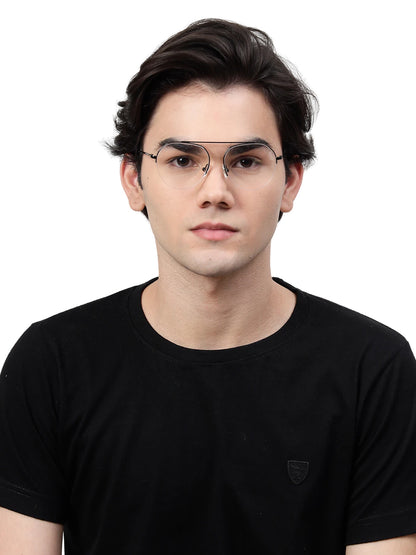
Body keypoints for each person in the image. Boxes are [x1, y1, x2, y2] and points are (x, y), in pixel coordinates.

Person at [0, 18, 415, 555]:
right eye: (182, 160)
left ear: (290, 181)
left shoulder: (373, 370)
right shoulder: (52, 364)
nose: (215, 190)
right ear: (134, 179)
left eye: (246, 161)